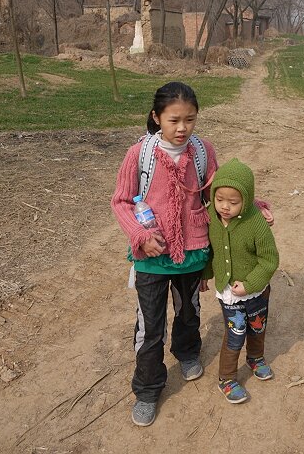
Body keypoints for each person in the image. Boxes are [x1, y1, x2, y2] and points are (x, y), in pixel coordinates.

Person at [111, 81, 218, 427]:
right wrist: (140, 235)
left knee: (189, 312)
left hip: (191, 253)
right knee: (150, 325)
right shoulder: (138, 155)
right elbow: (122, 202)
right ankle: (147, 388)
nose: (182, 128)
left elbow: (219, 194)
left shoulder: (202, 152)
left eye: (190, 119)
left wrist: (252, 205)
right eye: (174, 120)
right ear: (157, 117)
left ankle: (187, 353)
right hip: (151, 257)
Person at [201, 158, 279, 404]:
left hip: (256, 291)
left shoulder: (256, 223)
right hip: (230, 293)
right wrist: (204, 277)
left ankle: (255, 358)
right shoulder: (211, 217)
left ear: (247, 200)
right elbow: (208, 250)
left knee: (257, 327)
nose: (225, 207)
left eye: (233, 202)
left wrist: (251, 284)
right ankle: (227, 378)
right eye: (219, 199)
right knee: (235, 333)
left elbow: (269, 260)